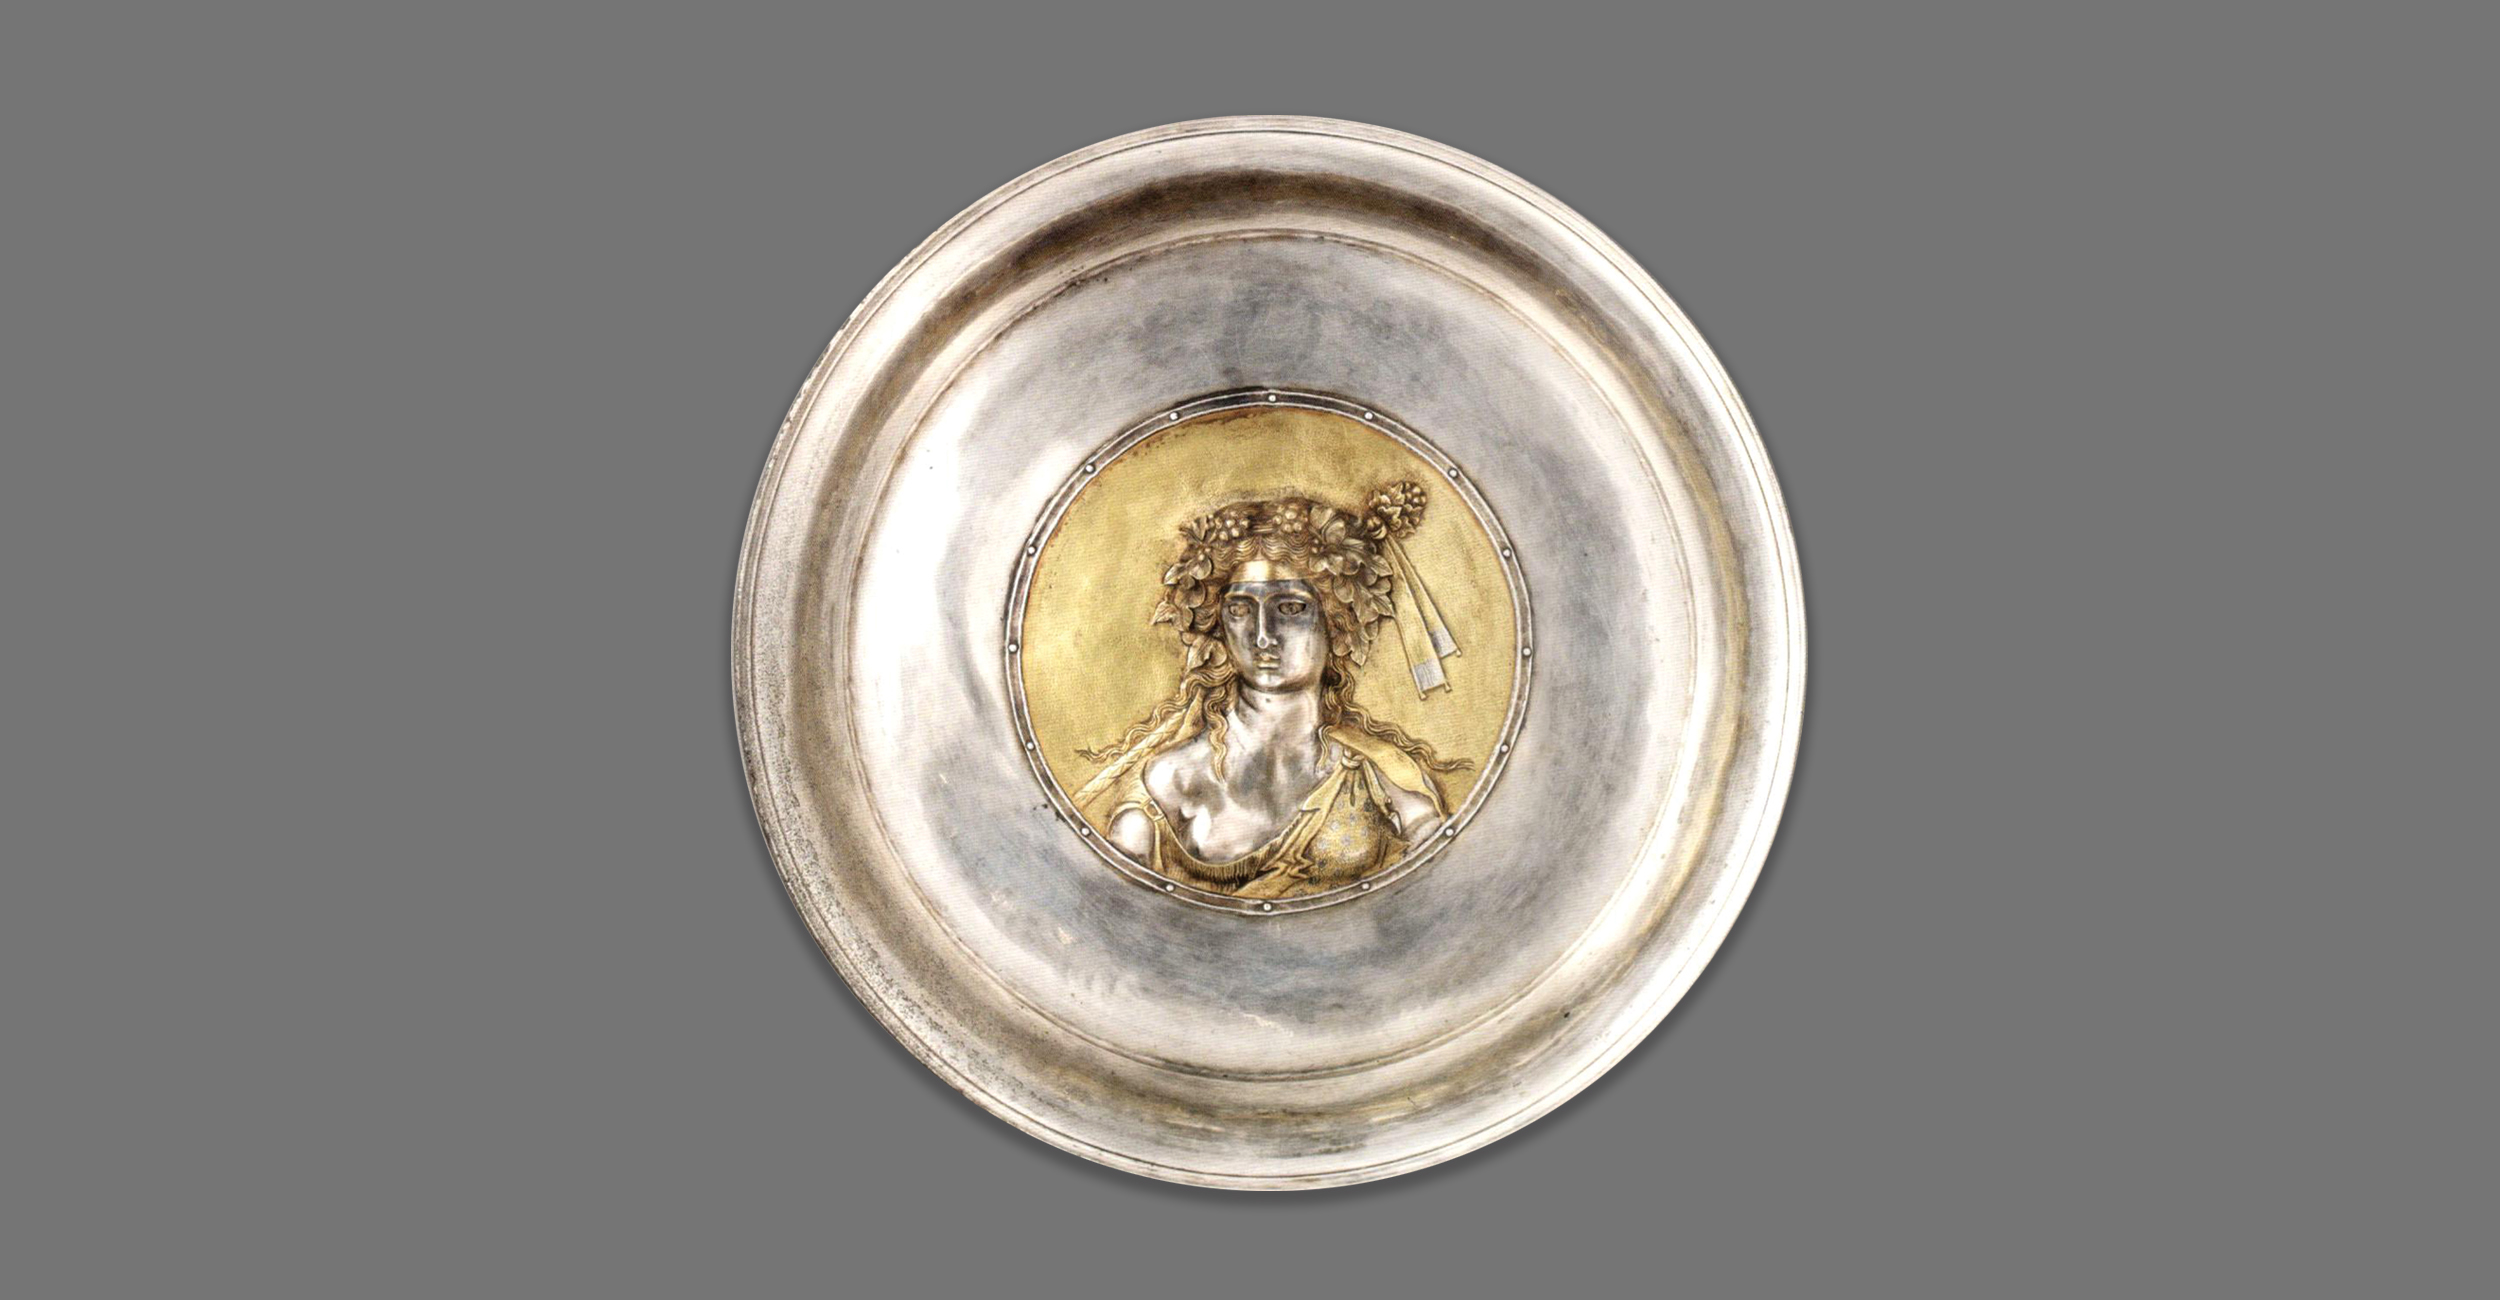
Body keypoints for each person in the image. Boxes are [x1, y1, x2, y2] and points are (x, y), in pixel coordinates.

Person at [1075, 484, 1467, 898]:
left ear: (1337, 624)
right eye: (1240, 610)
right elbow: (1112, 906)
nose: (1263, 636)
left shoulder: (1384, 776)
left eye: (1291, 608)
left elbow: (1442, 891)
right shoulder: (1169, 781)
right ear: (1218, 627)